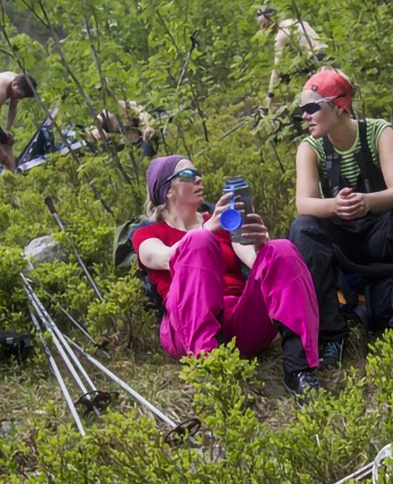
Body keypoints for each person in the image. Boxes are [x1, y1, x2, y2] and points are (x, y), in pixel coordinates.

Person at [288, 68, 393, 366]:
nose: (305, 116)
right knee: (303, 229)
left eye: (311, 108)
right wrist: (336, 206)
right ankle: (330, 337)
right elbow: (304, 203)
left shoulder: (378, 131)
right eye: (302, 110)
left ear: (338, 106)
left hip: (381, 233)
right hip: (342, 243)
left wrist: (367, 202)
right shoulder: (309, 148)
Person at [132, 155, 322, 399]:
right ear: (166, 190)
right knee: (198, 242)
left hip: (240, 323)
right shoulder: (147, 234)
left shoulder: (221, 224)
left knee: (281, 249)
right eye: (189, 175)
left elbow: (259, 266)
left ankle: (300, 370)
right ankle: (213, 368)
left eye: (197, 172)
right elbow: (163, 257)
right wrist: (204, 232)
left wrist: (259, 244)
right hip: (186, 330)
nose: (199, 178)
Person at [255, 5, 329, 111]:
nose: (264, 29)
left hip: (315, 60)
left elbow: (277, 68)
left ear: (272, 19)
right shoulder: (295, 22)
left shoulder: (281, 35)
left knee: (285, 78)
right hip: (325, 56)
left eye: (264, 25)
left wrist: (270, 94)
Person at [89, 100, 159, 157]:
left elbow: (144, 116)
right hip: (121, 151)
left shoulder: (129, 106)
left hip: (140, 142)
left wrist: (148, 127)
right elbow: (93, 125)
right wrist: (94, 130)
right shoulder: (103, 116)